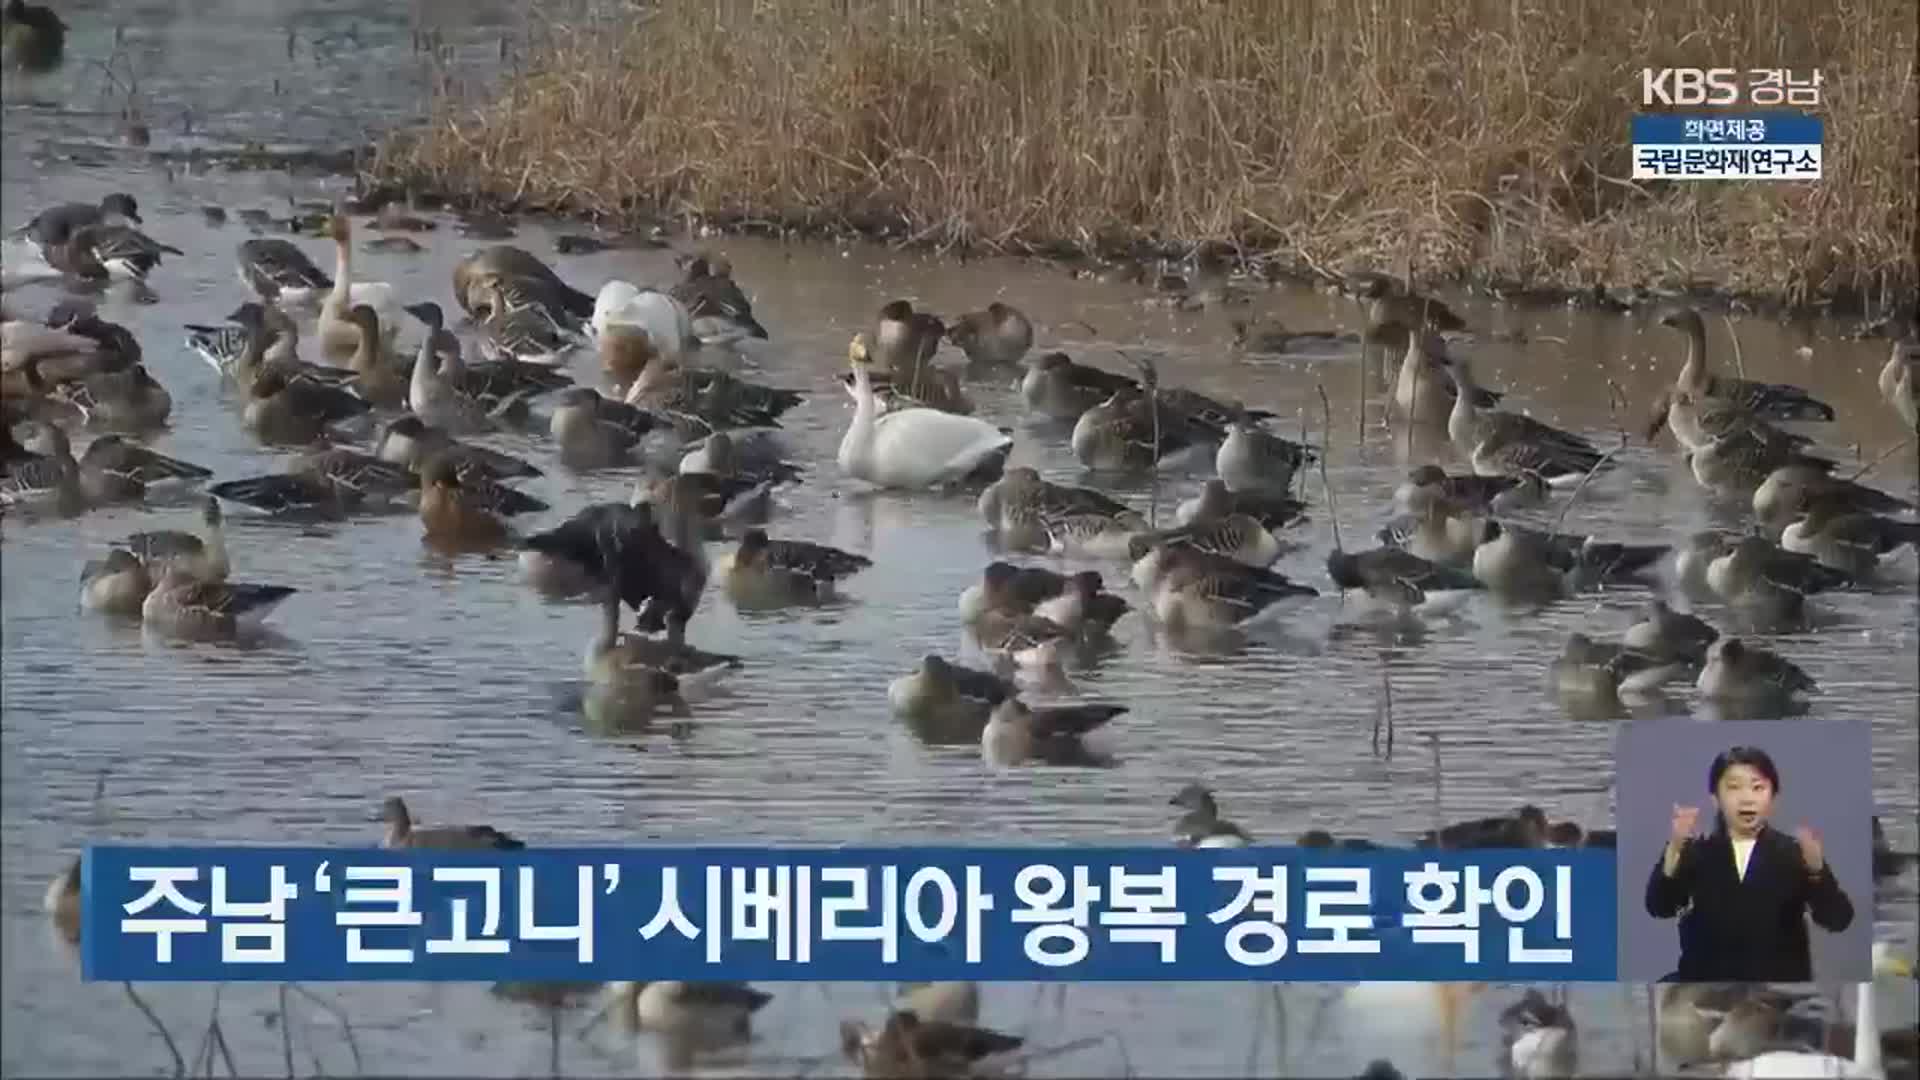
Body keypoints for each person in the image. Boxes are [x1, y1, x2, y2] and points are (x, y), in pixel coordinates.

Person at [1644, 745, 1854, 982]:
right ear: (1715, 799)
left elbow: (1838, 919)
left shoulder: (1794, 854)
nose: (1747, 798)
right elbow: (1659, 906)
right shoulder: (1696, 853)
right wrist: (1674, 849)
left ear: (1772, 797)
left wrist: (1818, 871)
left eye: (1757, 787)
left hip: (1778, 997)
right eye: (1733, 788)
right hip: (1708, 992)